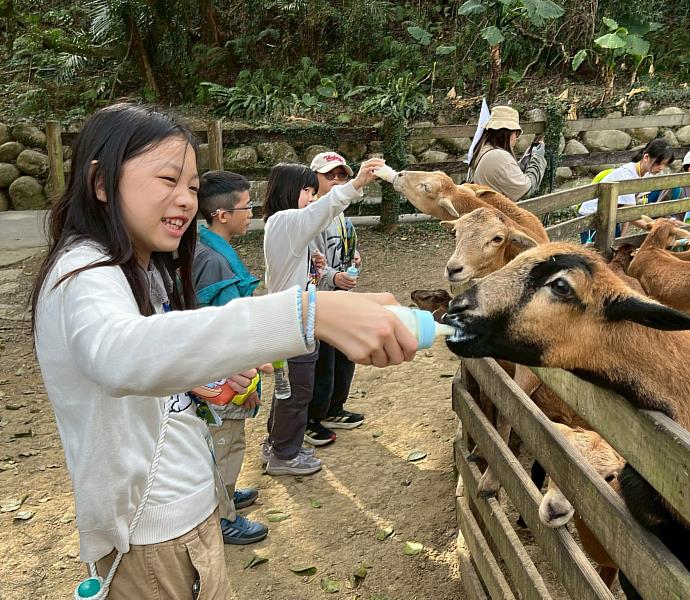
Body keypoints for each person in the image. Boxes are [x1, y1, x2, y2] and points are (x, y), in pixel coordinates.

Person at [30, 104, 416, 598]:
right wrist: (308, 312)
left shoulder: (141, 268)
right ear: (101, 183)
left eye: (191, 186)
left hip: (184, 514)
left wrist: (197, 379)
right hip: (151, 536)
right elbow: (119, 353)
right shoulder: (85, 271)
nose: (185, 200)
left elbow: (143, 357)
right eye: (167, 179)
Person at [261, 158, 385, 476]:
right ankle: (284, 455)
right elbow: (324, 210)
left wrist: (312, 267)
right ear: (290, 191)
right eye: (307, 190)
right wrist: (356, 183)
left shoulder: (283, 225)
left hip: (293, 319)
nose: (312, 198)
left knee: (288, 389)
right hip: (293, 323)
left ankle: (276, 443)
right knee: (298, 390)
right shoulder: (286, 221)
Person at [193, 169, 269, 545]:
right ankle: (221, 516)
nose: (251, 212)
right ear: (222, 215)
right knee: (224, 442)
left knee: (228, 442)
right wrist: (242, 382)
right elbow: (220, 332)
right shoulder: (213, 261)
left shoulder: (208, 248)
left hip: (225, 372)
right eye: (246, 206)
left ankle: (225, 492)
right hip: (223, 378)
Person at [305, 152, 363, 447]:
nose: (337, 180)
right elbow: (310, 263)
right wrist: (333, 277)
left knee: (345, 354)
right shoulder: (311, 216)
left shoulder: (341, 215)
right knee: (321, 361)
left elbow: (345, 249)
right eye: (330, 176)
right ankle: (311, 418)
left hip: (341, 297)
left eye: (342, 175)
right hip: (320, 299)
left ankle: (334, 408)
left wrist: (352, 259)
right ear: (314, 179)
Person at [578, 138, 675, 244]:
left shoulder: (645, 175)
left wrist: (621, 238)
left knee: (611, 250)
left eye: (665, 164)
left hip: (611, 215)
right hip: (592, 215)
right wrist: (655, 228)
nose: (661, 168)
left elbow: (628, 210)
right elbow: (629, 213)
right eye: (659, 163)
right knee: (595, 256)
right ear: (646, 157)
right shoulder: (627, 175)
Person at [468, 105, 547, 202]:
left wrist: (524, 161)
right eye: (516, 133)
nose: (517, 138)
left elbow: (505, 175)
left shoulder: (485, 149)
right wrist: (538, 157)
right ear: (507, 133)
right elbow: (526, 190)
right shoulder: (499, 156)